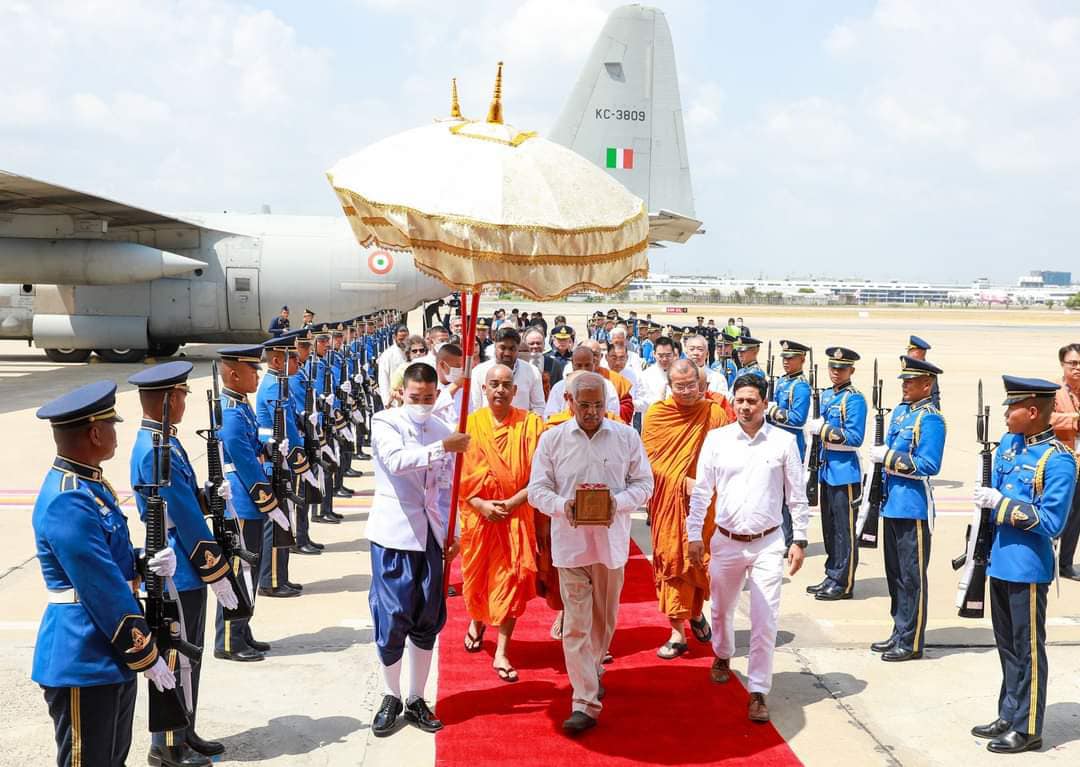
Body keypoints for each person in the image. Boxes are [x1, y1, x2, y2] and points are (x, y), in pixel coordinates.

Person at [33, 381, 178, 767]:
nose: (116, 432)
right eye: (111, 425)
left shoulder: (91, 486)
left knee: (113, 759)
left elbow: (108, 558)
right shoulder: (69, 498)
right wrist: (145, 651)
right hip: (84, 653)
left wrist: (145, 562)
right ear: (95, 433)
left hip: (107, 650)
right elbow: (100, 586)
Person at [528, 372, 654, 734]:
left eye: (598, 405)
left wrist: (618, 502)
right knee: (576, 625)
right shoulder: (552, 440)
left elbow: (645, 484)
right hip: (570, 545)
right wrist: (562, 505)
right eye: (584, 405)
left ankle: (592, 668)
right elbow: (537, 490)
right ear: (569, 402)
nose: (591, 412)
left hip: (611, 547)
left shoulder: (626, 437)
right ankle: (584, 700)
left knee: (604, 621)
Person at [128, 362, 238, 766]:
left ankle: (184, 731)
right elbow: (188, 521)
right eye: (182, 396)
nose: (185, 403)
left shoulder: (163, 442)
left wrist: (210, 494)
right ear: (168, 400)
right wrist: (218, 572)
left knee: (189, 657)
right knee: (177, 656)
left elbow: (188, 501)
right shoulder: (156, 448)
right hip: (180, 566)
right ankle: (167, 744)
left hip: (182, 560)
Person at [688, 374, 808, 723]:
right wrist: (694, 533)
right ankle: (723, 653)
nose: (744, 406)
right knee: (721, 608)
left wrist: (799, 538)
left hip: (769, 542)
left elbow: (796, 496)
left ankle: (758, 690)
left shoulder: (784, 443)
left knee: (765, 618)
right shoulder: (717, 440)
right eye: (739, 400)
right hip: (725, 540)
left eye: (752, 401)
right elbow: (701, 492)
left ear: (765, 404)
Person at [970, 376, 1077, 754]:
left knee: (1028, 647)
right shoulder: (1009, 448)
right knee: (1007, 646)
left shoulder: (1057, 461)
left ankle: (1029, 727)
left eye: (1011, 407)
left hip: (1028, 567)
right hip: (1000, 561)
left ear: (1032, 412)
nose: (1005, 413)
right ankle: (1009, 712)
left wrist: (999, 503)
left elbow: (1052, 522)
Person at [368, 363, 471, 737]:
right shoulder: (385, 422)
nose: (423, 404)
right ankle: (390, 694)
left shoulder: (442, 429)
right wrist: (443, 446)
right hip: (394, 534)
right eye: (416, 398)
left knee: (428, 616)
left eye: (429, 398)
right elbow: (396, 462)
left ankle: (415, 697)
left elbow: (447, 488)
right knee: (393, 616)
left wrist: (454, 531)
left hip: (431, 535)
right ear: (401, 393)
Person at [459, 364, 544, 682]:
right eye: (493, 384)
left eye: (506, 385)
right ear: (484, 388)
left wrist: (511, 503)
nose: (500, 390)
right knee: (480, 580)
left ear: (515, 390)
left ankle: (502, 651)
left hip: (515, 516)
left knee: (511, 584)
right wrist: (481, 504)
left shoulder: (531, 425)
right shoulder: (470, 426)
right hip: (479, 518)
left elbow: (539, 475)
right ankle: (477, 621)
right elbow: (460, 478)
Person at [643, 359, 728, 659]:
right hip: (670, 503)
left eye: (692, 385)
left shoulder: (714, 414)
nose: (687, 391)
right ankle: (677, 632)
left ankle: (695, 612)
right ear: (669, 386)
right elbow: (649, 462)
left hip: (706, 505)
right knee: (671, 560)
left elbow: (727, 458)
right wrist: (681, 482)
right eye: (680, 386)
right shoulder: (657, 415)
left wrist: (704, 485)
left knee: (700, 562)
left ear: (701, 384)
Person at [214, 345, 292, 664]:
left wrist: (269, 445)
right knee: (240, 571)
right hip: (241, 503)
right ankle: (229, 641)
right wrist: (269, 502)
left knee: (250, 569)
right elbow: (246, 464)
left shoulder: (240, 405)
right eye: (251, 370)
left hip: (247, 500)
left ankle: (242, 629)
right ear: (233, 374)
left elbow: (253, 446)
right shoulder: (231, 412)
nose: (257, 374)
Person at [866, 356, 945, 662]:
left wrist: (886, 458)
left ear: (927, 384)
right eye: (904, 380)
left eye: (911, 381)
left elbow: (929, 465)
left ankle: (911, 640)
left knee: (912, 578)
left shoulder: (932, 419)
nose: (905, 385)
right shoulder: (900, 413)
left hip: (913, 509)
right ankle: (899, 630)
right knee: (895, 575)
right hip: (892, 505)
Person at [806, 347, 867, 601]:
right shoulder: (829, 395)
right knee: (829, 529)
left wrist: (825, 430)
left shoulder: (854, 399)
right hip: (827, 469)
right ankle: (832, 574)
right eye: (832, 367)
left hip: (844, 472)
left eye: (841, 368)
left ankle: (844, 582)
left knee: (844, 531)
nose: (835, 372)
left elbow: (855, 437)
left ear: (851, 370)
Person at [256, 334, 308, 597]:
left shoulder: (280, 383)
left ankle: (281, 576)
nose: (298, 363)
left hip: (282, 455)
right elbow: (281, 427)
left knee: (282, 520)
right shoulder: (274, 386)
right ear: (277, 360)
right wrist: (299, 454)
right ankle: (271, 580)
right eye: (293, 359)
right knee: (275, 523)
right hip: (276, 459)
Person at [766, 340, 813, 547]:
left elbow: (797, 418)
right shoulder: (783, 381)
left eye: (791, 358)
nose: (786, 362)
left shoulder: (800, 385)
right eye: (784, 358)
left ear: (802, 359)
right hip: (775, 439)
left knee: (789, 493)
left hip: (792, 443)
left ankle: (789, 537)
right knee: (776, 491)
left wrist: (774, 411)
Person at [1051, 342, 1080, 580]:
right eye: (1073, 363)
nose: (1077, 368)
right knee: (1057, 512)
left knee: (1076, 516)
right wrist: (1073, 421)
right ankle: (1048, 558)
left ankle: (1066, 563)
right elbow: (1046, 418)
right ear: (1063, 365)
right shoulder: (1054, 392)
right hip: (1062, 463)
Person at [470, 327, 545, 416]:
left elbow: (539, 406)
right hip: (487, 427)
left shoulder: (532, 371)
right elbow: (475, 407)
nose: (507, 353)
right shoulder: (478, 372)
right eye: (502, 348)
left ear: (518, 349)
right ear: (495, 347)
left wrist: (529, 426)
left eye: (512, 349)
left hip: (521, 427)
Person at [544, 345, 620, 420]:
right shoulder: (559, 387)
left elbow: (613, 416)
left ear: (594, 363)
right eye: (579, 365)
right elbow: (550, 417)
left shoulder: (607, 386)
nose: (583, 369)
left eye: (587, 365)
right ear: (572, 364)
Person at [640, 336, 677, 411]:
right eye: (660, 355)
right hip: (653, 417)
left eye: (668, 355)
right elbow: (642, 402)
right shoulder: (645, 375)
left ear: (674, 354)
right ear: (654, 354)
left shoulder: (681, 373)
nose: (664, 359)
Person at [377, 324, 410, 407]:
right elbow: (383, 380)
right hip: (394, 401)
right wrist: (386, 402)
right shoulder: (387, 355)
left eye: (406, 339)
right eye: (400, 339)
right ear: (394, 338)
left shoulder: (413, 351)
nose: (403, 342)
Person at [906, 336, 940, 408]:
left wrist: (935, 414)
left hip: (922, 409)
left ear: (920, 352)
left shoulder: (927, 370)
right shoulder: (909, 366)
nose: (908, 353)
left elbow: (934, 395)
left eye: (911, 350)